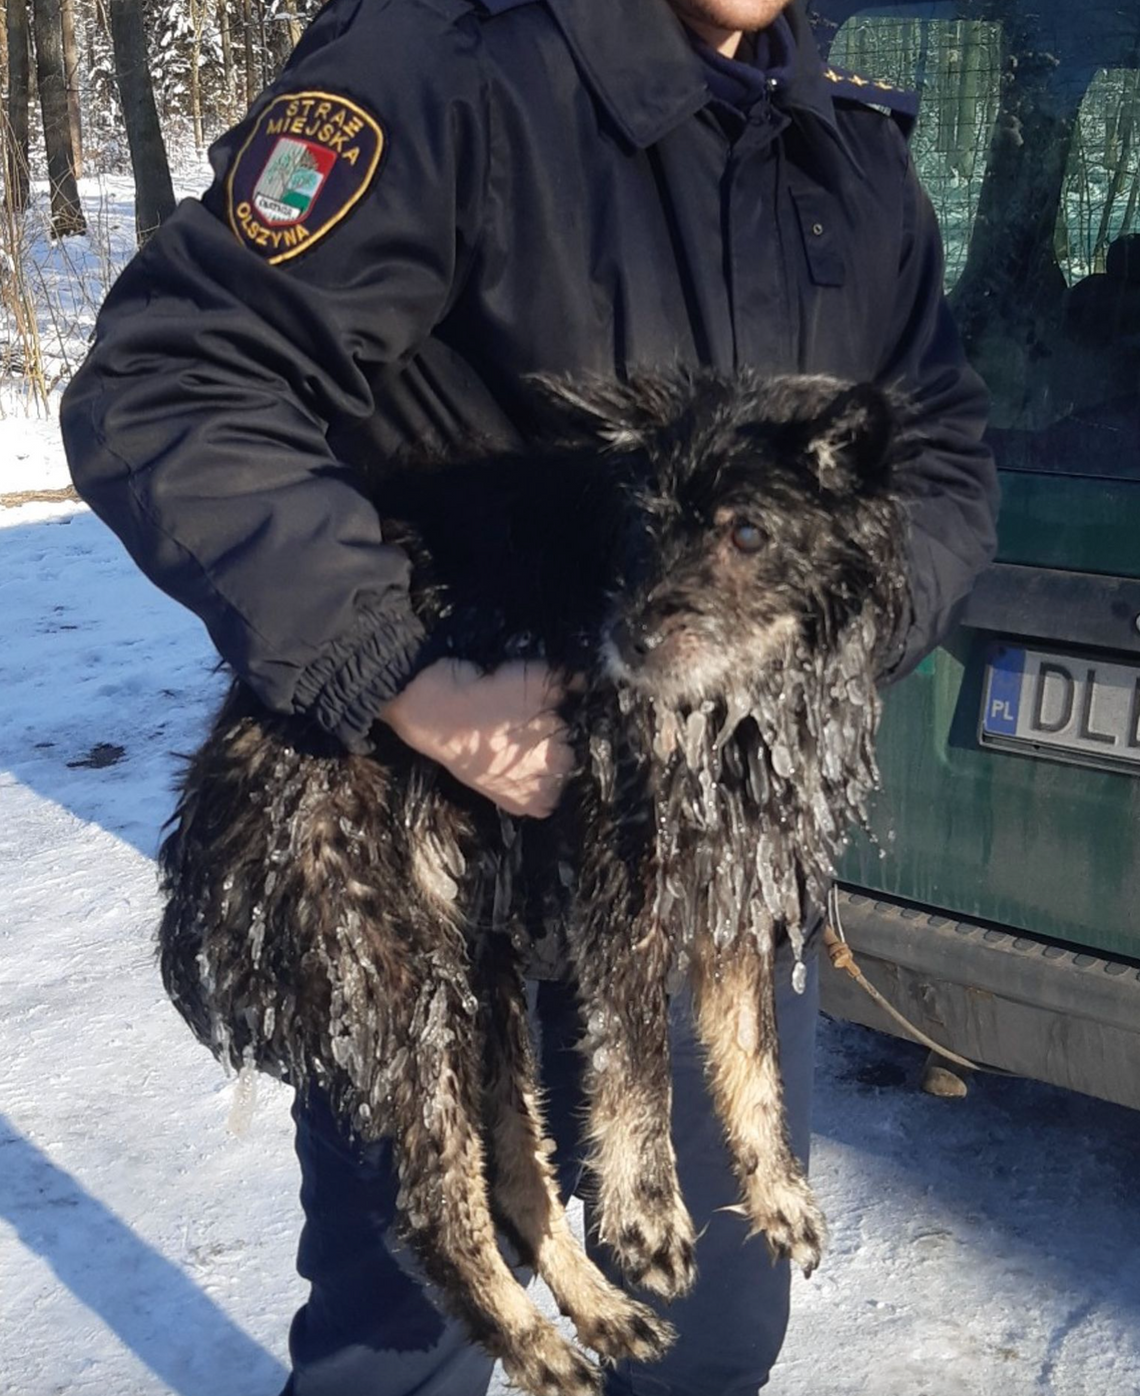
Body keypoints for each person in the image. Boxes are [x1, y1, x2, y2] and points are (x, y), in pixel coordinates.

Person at [61, 0, 999, 1391]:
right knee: (416, 1325)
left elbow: (936, 467)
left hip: (696, 866)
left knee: (714, 1323)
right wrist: (399, 672)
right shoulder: (447, 67)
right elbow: (174, 383)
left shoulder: (853, 152)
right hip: (446, 830)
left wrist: (826, 639)